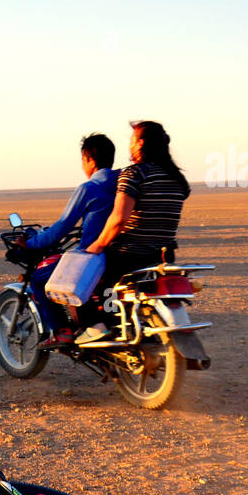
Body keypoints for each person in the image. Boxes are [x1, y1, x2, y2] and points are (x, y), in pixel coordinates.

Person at [78, 120, 190, 343]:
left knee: (81, 278)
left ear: (140, 144)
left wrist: (97, 245)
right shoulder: (178, 179)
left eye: (131, 140)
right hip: (163, 256)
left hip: (129, 255)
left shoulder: (134, 175)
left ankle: (98, 326)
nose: (129, 146)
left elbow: (119, 219)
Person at [25, 133, 118, 348]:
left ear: (89, 160)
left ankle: (62, 332)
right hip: (121, 253)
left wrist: (32, 243)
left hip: (93, 255)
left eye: (82, 160)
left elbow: (62, 227)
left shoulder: (89, 188)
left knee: (39, 278)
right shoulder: (124, 183)